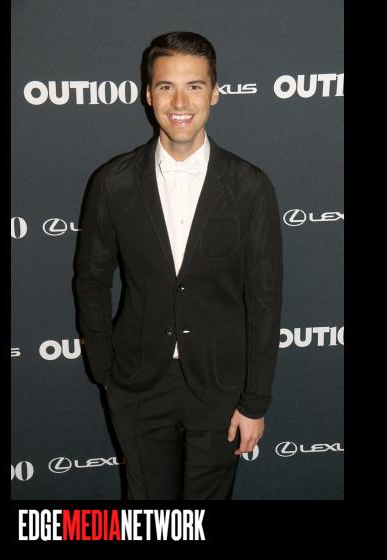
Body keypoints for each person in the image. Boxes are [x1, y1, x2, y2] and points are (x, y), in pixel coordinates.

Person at [73, 31, 283, 500]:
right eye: (167, 86)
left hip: (221, 387)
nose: (181, 102)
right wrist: (105, 371)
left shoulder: (250, 186)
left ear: (215, 93)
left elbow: (265, 300)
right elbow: (91, 280)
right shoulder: (112, 182)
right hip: (137, 383)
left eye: (195, 86)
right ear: (149, 95)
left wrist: (255, 400)